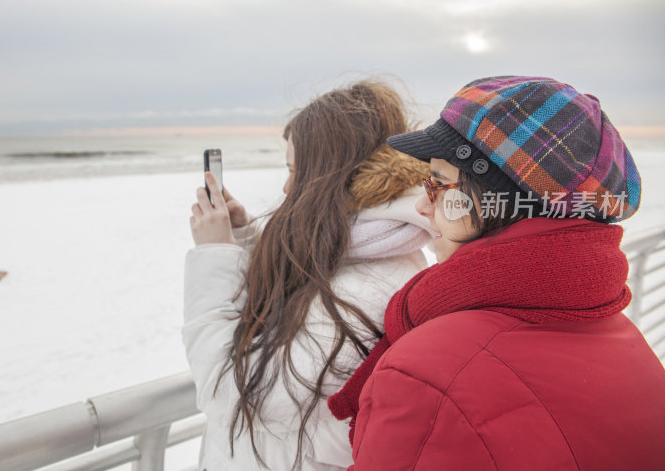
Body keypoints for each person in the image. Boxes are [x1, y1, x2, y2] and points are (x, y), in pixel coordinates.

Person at [328, 76, 665, 470]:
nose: (422, 205)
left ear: (498, 200)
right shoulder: (624, 338)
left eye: (438, 185)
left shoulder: (429, 373)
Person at [183, 80, 434, 470]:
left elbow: (233, 396)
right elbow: (284, 321)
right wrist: (245, 237)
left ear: (331, 176)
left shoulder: (368, 287)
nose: (286, 187)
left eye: (295, 171)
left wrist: (214, 257)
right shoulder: (359, 253)